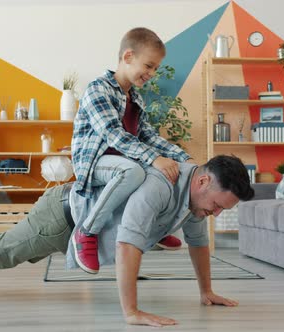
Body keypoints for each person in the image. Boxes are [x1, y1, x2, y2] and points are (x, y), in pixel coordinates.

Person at [0, 155, 254, 327]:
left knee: (5, 249)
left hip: (75, 219)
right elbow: (127, 244)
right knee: (5, 251)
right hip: (63, 216)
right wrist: (132, 311)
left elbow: (198, 242)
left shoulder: (193, 199)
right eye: (216, 205)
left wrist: (206, 291)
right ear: (204, 181)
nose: (214, 213)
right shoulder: (161, 186)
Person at [71, 27, 191, 274]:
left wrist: (182, 157)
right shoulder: (98, 89)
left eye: (156, 68)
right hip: (94, 163)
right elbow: (114, 135)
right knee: (136, 171)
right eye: (148, 66)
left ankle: (153, 228)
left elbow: (148, 136)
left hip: (124, 163)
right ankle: (86, 231)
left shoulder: (136, 97)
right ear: (127, 57)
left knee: (164, 170)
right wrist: (154, 159)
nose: (152, 74)